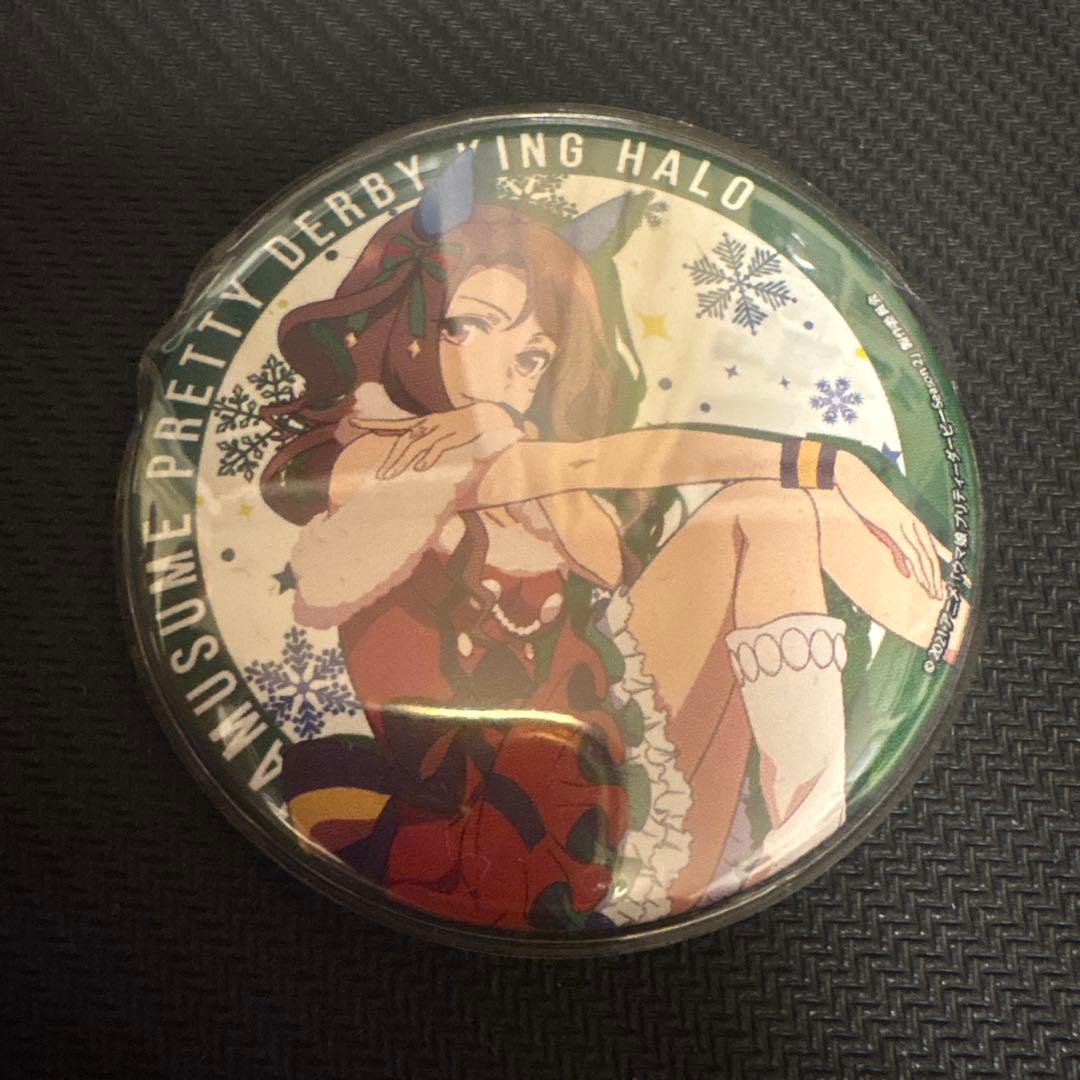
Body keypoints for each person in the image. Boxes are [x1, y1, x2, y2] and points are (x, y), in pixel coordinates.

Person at [259, 153, 964, 930]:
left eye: (533, 355)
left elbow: (604, 550)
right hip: (513, 826)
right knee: (771, 505)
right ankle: (918, 671)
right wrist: (832, 464)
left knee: (773, 510)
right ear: (414, 328)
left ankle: (870, 733)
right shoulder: (375, 458)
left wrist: (834, 475)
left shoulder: (525, 467)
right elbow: (614, 459)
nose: (505, 372)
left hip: (611, 749)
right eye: (471, 326)